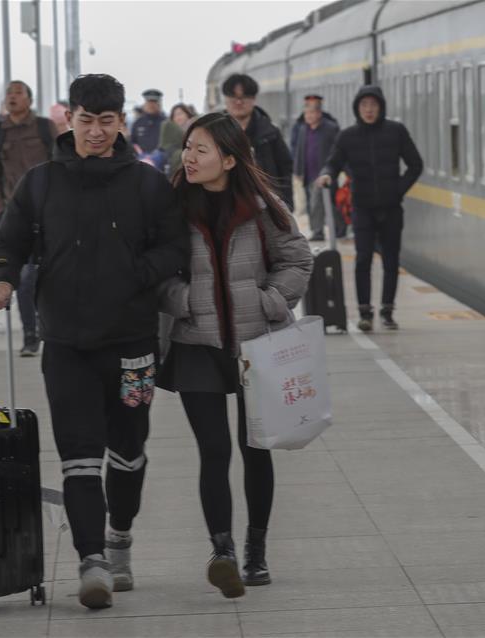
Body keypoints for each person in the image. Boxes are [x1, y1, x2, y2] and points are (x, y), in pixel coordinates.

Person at [0, 74, 189, 610]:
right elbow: (10, 238)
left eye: (105, 121)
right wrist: (3, 276)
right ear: (68, 119)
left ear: (120, 122)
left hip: (133, 345)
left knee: (128, 454)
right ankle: (92, 560)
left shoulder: (147, 184)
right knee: (78, 456)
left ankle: (120, 535)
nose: (95, 131)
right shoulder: (41, 182)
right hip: (66, 344)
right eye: (85, 120)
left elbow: (175, 246)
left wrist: (137, 273)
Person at [157, 113, 312, 598]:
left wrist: (269, 302)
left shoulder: (263, 206)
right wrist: (181, 301)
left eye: (201, 149)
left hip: (257, 347)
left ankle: (256, 551)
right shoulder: (172, 207)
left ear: (228, 158)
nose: (189, 156)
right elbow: (154, 267)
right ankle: (221, 552)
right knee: (214, 451)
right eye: (187, 147)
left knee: (256, 448)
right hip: (196, 345)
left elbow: (299, 259)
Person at [317, 85, 423, 331]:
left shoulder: (396, 132)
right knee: (363, 259)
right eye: (364, 105)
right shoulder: (347, 136)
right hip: (362, 207)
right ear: (357, 108)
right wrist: (326, 175)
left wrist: (398, 190)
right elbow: (333, 163)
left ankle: (387, 310)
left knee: (390, 260)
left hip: (391, 208)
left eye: (373, 105)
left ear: (381, 107)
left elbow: (416, 164)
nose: (369, 110)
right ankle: (365, 312)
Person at [0, 80, 58, 356]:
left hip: (50, 213)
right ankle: (30, 334)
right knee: (24, 277)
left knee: (47, 274)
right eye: (9, 93)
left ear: (29, 99)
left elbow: (59, 163)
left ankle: (48, 326)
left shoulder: (43, 126)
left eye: (18, 93)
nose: (12, 97)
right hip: (16, 216)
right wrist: (2, 209)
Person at [222, 74, 293, 208]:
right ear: (225, 99)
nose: (238, 102)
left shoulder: (270, 132)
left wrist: (286, 205)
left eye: (244, 97)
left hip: (266, 204)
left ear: (254, 99)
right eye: (233, 97)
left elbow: (285, 169)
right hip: (226, 203)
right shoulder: (214, 133)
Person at [290, 94, 341, 241]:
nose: (309, 116)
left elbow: (338, 149)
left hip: (324, 173)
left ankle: (318, 231)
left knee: (317, 204)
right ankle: (339, 227)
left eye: (312, 113)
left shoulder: (331, 128)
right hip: (308, 173)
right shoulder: (303, 129)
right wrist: (298, 170)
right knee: (319, 203)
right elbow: (300, 150)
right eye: (307, 113)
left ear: (319, 113)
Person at [159, 103, 197, 177]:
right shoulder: (170, 132)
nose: (178, 117)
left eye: (180, 114)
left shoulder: (196, 128)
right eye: (174, 115)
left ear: (187, 114)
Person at [130, 88, 166, 157]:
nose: (151, 105)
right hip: (141, 159)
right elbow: (133, 142)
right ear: (145, 104)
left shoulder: (166, 123)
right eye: (149, 102)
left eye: (154, 102)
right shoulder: (138, 123)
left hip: (161, 161)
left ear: (159, 104)